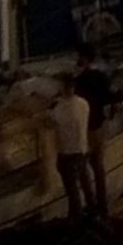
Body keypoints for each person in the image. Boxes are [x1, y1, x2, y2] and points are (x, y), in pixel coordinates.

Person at [51, 76, 103, 220]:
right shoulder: (84, 104)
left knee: (72, 188)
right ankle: (93, 210)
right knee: (85, 182)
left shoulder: (59, 109)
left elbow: (52, 120)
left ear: (62, 89)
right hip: (82, 149)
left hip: (67, 152)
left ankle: (77, 215)